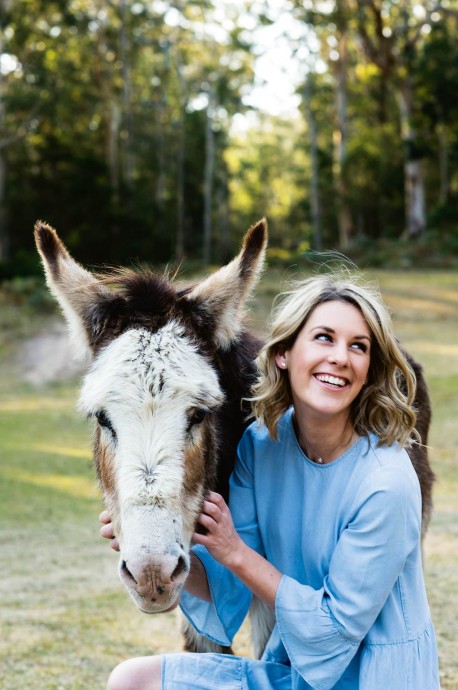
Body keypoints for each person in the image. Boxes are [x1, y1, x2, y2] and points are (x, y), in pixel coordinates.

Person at [100, 271, 441, 690]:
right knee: (131, 681)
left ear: (368, 370)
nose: (339, 357)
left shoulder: (387, 481)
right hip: (292, 673)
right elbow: (228, 588)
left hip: (373, 679)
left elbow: (332, 632)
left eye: (358, 346)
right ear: (283, 354)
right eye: (323, 338)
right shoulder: (261, 446)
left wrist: (235, 552)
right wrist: (163, 556)